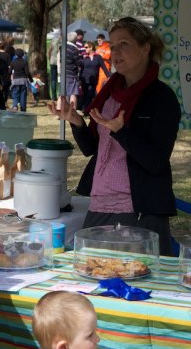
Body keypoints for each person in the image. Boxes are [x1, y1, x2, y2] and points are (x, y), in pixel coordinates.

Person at [49, 17, 180, 256]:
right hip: (100, 204)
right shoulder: (108, 94)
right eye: (112, 44)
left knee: (139, 280)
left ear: (145, 48)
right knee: (93, 275)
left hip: (138, 210)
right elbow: (93, 149)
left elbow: (156, 162)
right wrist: (77, 122)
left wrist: (122, 132)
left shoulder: (162, 98)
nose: (115, 51)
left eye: (124, 44)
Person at [79, 41, 110, 112]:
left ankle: (86, 109)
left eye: (86, 47)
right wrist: (79, 79)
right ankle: (84, 109)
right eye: (84, 47)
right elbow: (81, 70)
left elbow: (104, 67)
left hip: (93, 80)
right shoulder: (85, 58)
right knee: (85, 95)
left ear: (91, 47)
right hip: (84, 80)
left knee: (90, 94)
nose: (85, 49)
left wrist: (109, 76)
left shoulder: (98, 57)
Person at [63, 31, 83, 107]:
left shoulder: (62, 47)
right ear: (75, 39)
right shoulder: (74, 49)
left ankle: (60, 110)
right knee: (73, 93)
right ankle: (72, 111)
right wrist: (81, 59)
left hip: (63, 73)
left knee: (62, 94)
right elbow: (78, 62)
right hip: (71, 73)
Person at [48, 32, 61, 100]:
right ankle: (60, 95)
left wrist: (49, 59)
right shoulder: (61, 42)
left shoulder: (53, 41)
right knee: (60, 79)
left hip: (52, 61)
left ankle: (53, 96)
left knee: (53, 79)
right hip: (60, 62)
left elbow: (49, 52)